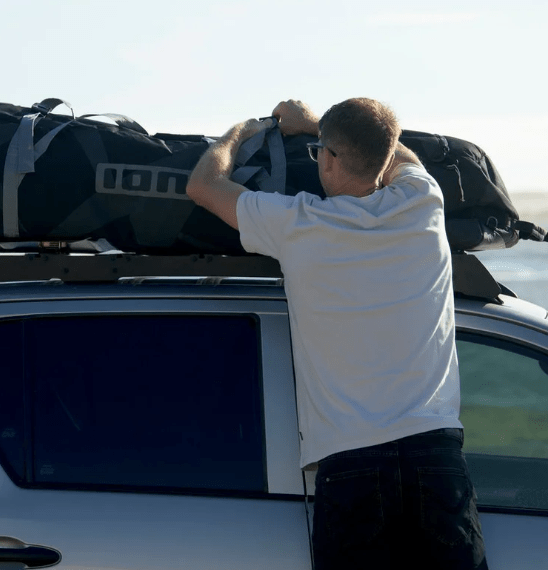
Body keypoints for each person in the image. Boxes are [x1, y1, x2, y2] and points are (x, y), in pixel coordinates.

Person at [186, 98, 488, 569]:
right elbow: (402, 158)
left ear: (327, 158)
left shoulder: (297, 224)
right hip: (435, 456)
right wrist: (316, 125)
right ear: (386, 161)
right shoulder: (423, 202)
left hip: (352, 467)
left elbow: (203, 186)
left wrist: (238, 133)